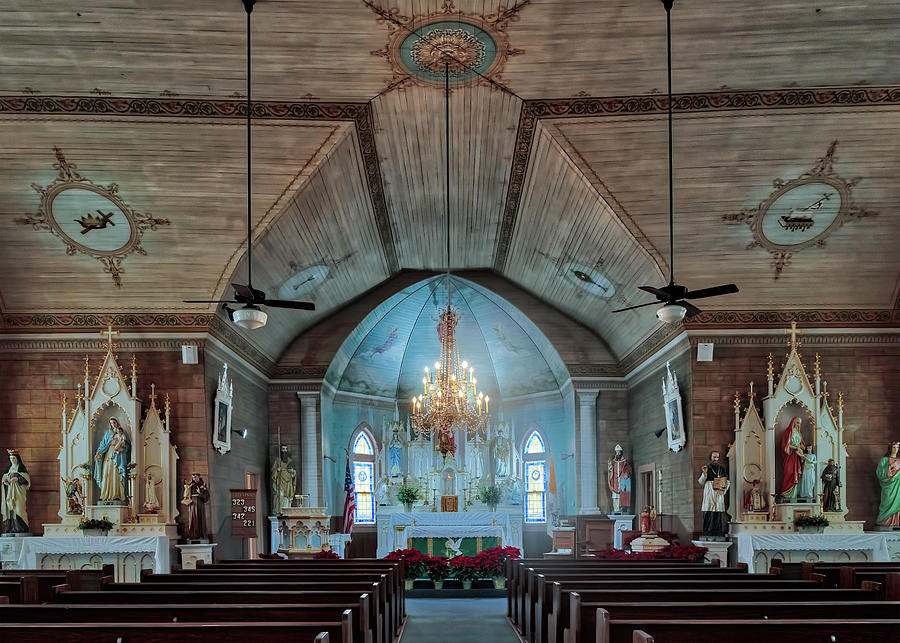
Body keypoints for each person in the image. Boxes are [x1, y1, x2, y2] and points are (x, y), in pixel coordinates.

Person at [94, 417, 131, 502]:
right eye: (111, 423)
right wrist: (98, 453)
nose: (113, 424)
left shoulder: (121, 433)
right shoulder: (108, 434)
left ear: (117, 423)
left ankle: (117, 494)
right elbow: (103, 445)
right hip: (108, 455)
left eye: (114, 422)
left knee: (116, 474)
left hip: (118, 456)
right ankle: (105, 495)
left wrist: (122, 446)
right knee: (106, 473)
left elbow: (127, 445)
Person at [698, 450, 730, 539]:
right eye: (714, 457)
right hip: (709, 491)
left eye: (717, 457)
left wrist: (723, 489)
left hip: (718, 492)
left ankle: (717, 532)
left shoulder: (721, 468)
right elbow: (701, 482)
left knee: (718, 513)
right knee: (709, 511)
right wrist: (704, 474)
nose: (715, 459)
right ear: (710, 457)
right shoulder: (707, 468)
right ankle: (707, 532)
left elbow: (727, 481)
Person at [1, 450, 30, 534]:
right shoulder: (9, 470)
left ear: (17, 459)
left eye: (13, 458)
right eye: (10, 458)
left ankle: (20, 528)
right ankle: (11, 528)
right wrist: (5, 482)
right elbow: (4, 478)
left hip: (18, 493)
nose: (12, 460)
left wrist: (18, 479)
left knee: (19, 509)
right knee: (11, 510)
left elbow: (27, 479)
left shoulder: (21, 469)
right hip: (10, 492)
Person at [875, 442, 900, 527]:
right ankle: (884, 521)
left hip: (898, 486)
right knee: (887, 501)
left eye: (897, 447)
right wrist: (888, 472)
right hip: (888, 485)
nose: (896, 449)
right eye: (894, 447)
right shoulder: (884, 460)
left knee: (898, 503)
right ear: (890, 448)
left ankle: (896, 522)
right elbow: (879, 472)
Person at [780, 417, 804, 500]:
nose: (798, 424)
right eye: (797, 422)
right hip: (789, 456)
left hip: (796, 456)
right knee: (789, 472)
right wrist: (794, 447)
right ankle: (786, 493)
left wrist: (801, 448)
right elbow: (784, 446)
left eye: (799, 423)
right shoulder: (788, 432)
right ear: (792, 422)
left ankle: (794, 495)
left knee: (796, 474)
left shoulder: (799, 433)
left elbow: (801, 444)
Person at [182, 472, 210, 540]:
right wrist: (187, 489)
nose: (194, 478)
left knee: (200, 519)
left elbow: (206, 497)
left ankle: (201, 535)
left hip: (200, 504)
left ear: (199, 477)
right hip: (192, 504)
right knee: (192, 519)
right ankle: (192, 535)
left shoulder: (203, 484)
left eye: (196, 477)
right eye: (193, 477)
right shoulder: (191, 485)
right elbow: (187, 494)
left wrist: (200, 493)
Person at [270, 445, 297, 513]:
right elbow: (273, 471)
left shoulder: (290, 461)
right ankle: (279, 510)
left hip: (288, 482)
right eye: (283, 449)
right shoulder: (277, 460)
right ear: (281, 450)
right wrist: (277, 470)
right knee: (280, 495)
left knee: (287, 497)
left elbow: (294, 472)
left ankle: (286, 511)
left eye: (285, 449)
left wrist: (293, 472)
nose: (284, 450)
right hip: (280, 481)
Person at [607, 445, 632, 514]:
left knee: (623, 494)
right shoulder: (613, 462)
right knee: (615, 496)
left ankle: (622, 509)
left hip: (622, 480)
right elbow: (610, 470)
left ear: (621, 453)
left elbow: (628, 469)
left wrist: (626, 473)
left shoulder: (624, 462)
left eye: (619, 452)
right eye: (617, 452)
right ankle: (616, 509)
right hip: (615, 480)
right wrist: (610, 468)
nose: (618, 454)